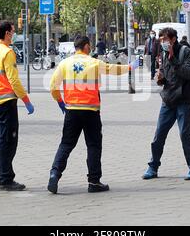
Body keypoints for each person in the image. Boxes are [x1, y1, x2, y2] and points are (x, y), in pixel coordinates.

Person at [47, 36, 140, 194]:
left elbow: (53, 86)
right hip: (90, 111)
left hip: (72, 111)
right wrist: (130, 67)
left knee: (66, 144)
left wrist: (60, 102)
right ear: (85, 46)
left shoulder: (64, 64)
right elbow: (112, 69)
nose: (90, 48)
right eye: (89, 46)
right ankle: (94, 181)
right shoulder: (94, 63)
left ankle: (54, 174)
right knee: (93, 145)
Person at [0, 20, 35, 191]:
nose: (14, 35)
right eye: (12, 31)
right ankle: (6, 178)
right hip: (6, 102)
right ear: (6, 33)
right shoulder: (7, 52)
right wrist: (26, 100)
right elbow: (13, 79)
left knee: (1, 138)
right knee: (9, 140)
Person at [143, 27, 190, 181]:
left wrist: (173, 58)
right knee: (159, 134)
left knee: (184, 133)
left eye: (165, 39)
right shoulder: (161, 53)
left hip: (184, 98)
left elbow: (188, 73)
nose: (162, 42)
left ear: (173, 39)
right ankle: (153, 166)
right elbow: (164, 72)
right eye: (160, 40)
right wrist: (160, 77)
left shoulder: (185, 52)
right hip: (168, 98)